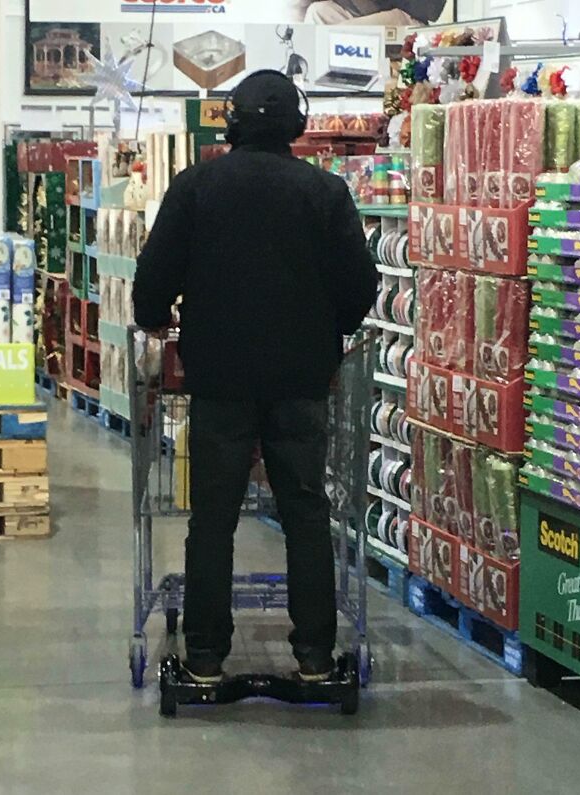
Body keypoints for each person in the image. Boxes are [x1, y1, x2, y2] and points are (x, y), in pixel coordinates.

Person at [132, 70, 377, 685]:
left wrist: (157, 317)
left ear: (231, 122)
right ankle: (315, 656)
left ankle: (205, 656)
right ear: (297, 124)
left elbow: (153, 278)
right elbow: (360, 284)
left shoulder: (196, 187)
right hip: (301, 379)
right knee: (305, 511)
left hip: (219, 379)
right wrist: (334, 327)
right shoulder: (325, 192)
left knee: (212, 517)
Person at [302, 0, 448, 25]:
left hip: (408, 17)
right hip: (369, 13)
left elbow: (433, 11)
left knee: (340, 32)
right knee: (317, 12)